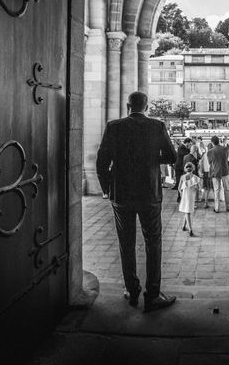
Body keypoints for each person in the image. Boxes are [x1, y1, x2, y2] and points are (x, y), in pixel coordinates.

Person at [96, 91, 177, 313]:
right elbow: (172, 156)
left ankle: (132, 290)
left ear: (127, 106)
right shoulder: (157, 126)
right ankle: (152, 294)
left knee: (126, 243)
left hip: (122, 194)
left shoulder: (114, 126)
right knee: (154, 243)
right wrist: (152, 159)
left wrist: (107, 189)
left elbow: (101, 162)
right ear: (147, 106)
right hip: (149, 193)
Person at [206, 135, 229, 213]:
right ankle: (228, 207)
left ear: (212, 142)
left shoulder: (210, 151)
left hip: (215, 172)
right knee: (227, 189)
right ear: (219, 141)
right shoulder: (225, 149)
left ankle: (217, 208)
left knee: (217, 190)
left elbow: (210, 162)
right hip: (225, 171)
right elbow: (227, 157)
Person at [178, 162, 200, 237]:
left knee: (186, 211)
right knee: (188, 212)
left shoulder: (182, 177)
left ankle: (184, 226)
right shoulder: (195, 178)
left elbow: (179, 188)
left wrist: (181, 194)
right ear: (193, 169)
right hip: (191, 197)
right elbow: (197, 188)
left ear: (185, 169)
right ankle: (190, 229)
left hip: (184, 196)